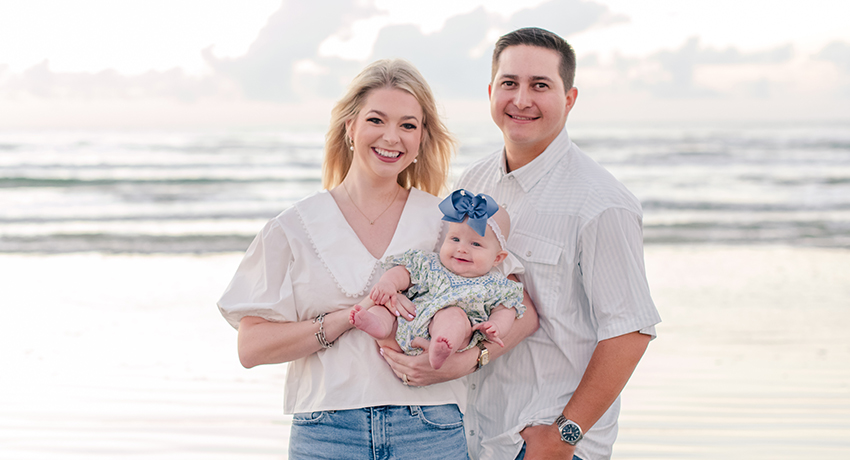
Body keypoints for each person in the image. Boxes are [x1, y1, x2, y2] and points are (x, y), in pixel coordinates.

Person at [216, 58, 539, 460]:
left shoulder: (447, 222)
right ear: (350, 127)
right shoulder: (292, 227)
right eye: (376, 120)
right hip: (327, 433)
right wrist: (345, 320)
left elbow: (522, 310)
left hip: (430, 428)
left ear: (422, 138)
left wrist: (469, 362)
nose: (392, 137)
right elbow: (251, 347)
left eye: (408, 125)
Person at [381, 28, 662, 460]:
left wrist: (564, 435)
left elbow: (630, 333)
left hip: (544, 442)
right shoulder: (473, 182)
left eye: (540, 86)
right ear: (492, 91)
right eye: (510, 83)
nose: (522, 99)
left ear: (569, 99)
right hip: (471, 438)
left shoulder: (602, 202)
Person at [351, 189, 525, 370]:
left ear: (497, 258)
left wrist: (496, 326)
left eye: (475, 244)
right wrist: (389, 284)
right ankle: (378, 325)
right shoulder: (430, 263)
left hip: (447, 333)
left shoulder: (496, 285)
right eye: (455, 239)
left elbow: (506, 311)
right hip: (405, 323)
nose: (462, 249)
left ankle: (441, 346)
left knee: (454, 316)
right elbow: (403, 272)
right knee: (387, 306)